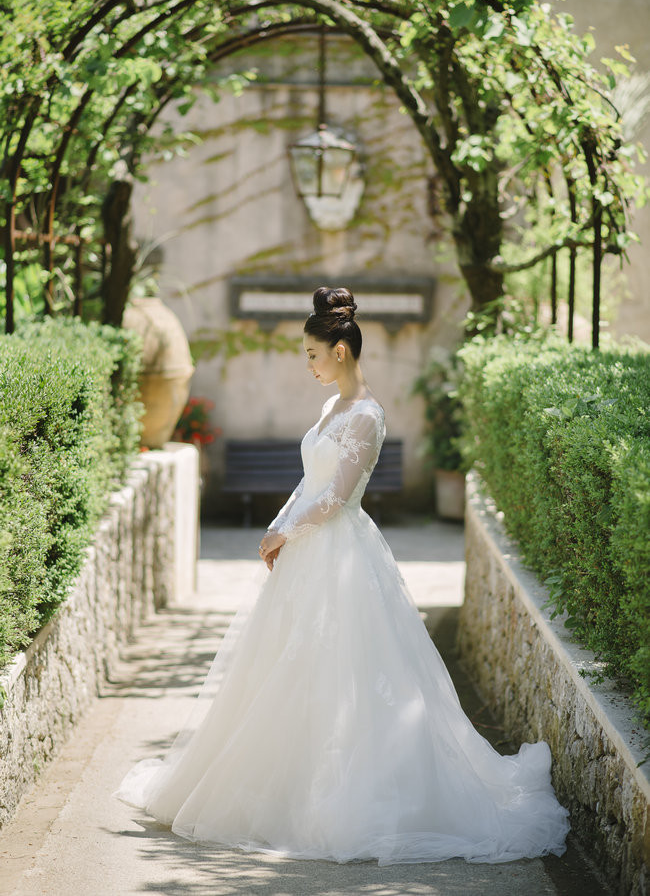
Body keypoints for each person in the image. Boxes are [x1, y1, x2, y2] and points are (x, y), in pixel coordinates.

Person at [116, 286, 570, 865]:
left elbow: (334, 497)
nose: (308, 364)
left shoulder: (367, 416)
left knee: (350, 669)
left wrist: (284, 531)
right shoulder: (331, 408)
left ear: (341, 351)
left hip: (344, 556)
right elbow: (309, 482)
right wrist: (280, 523)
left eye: (312, 353)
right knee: (288, 666)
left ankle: (350, 795)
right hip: (308, 555)